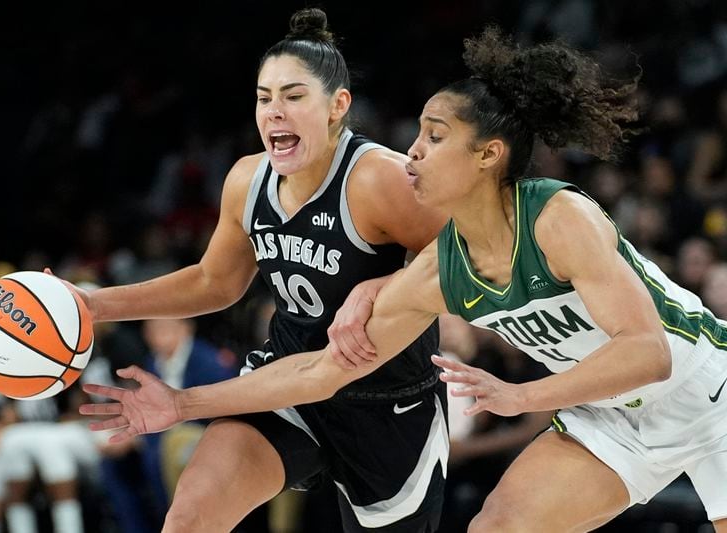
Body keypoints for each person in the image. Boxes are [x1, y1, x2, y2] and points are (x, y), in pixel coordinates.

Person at [82, 27, 727, 531]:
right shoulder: (437, 268)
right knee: (498, 527)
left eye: (433, 136)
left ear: (487, 156)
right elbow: (319, 369)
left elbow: (649, 353)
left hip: (708, 394)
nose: (410, 149)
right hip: (606, 419)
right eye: (417, 132)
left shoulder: (557, 216)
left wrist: (523, 396)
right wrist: (180, 405)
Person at [67, 7, 448, 532]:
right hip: (285, 385)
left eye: (294, 97)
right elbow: (214, 282)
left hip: (388, 401)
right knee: (189, 519)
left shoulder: (378, 179)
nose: (274, 112)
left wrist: (382, 285)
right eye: (264, 98)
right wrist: (92, 305)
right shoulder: (248, 180)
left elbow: (463, 253)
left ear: (338, 106)